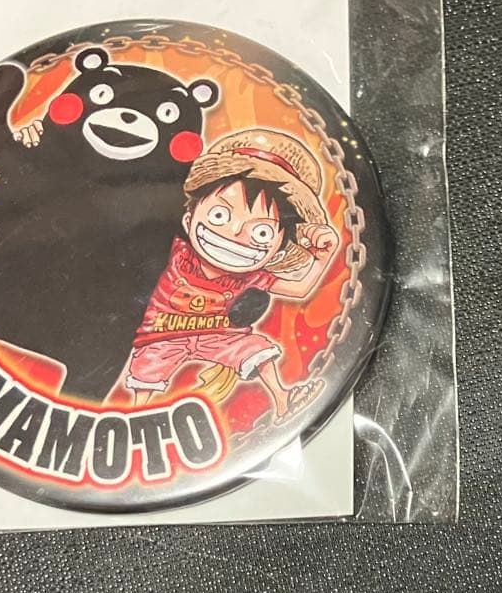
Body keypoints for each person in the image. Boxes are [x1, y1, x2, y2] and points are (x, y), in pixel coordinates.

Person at [122, 129, 339, 421]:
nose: (235, 233)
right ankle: (136, 416)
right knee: (146, 372)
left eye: (261, 232)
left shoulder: (251, 276)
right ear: (188, 219)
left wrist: (322, 257)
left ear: (277, 248)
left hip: (220, 336)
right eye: (220, 215)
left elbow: (300, 289)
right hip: (162, 335)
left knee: (257, 348)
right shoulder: (176, 250)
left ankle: (282, 399)